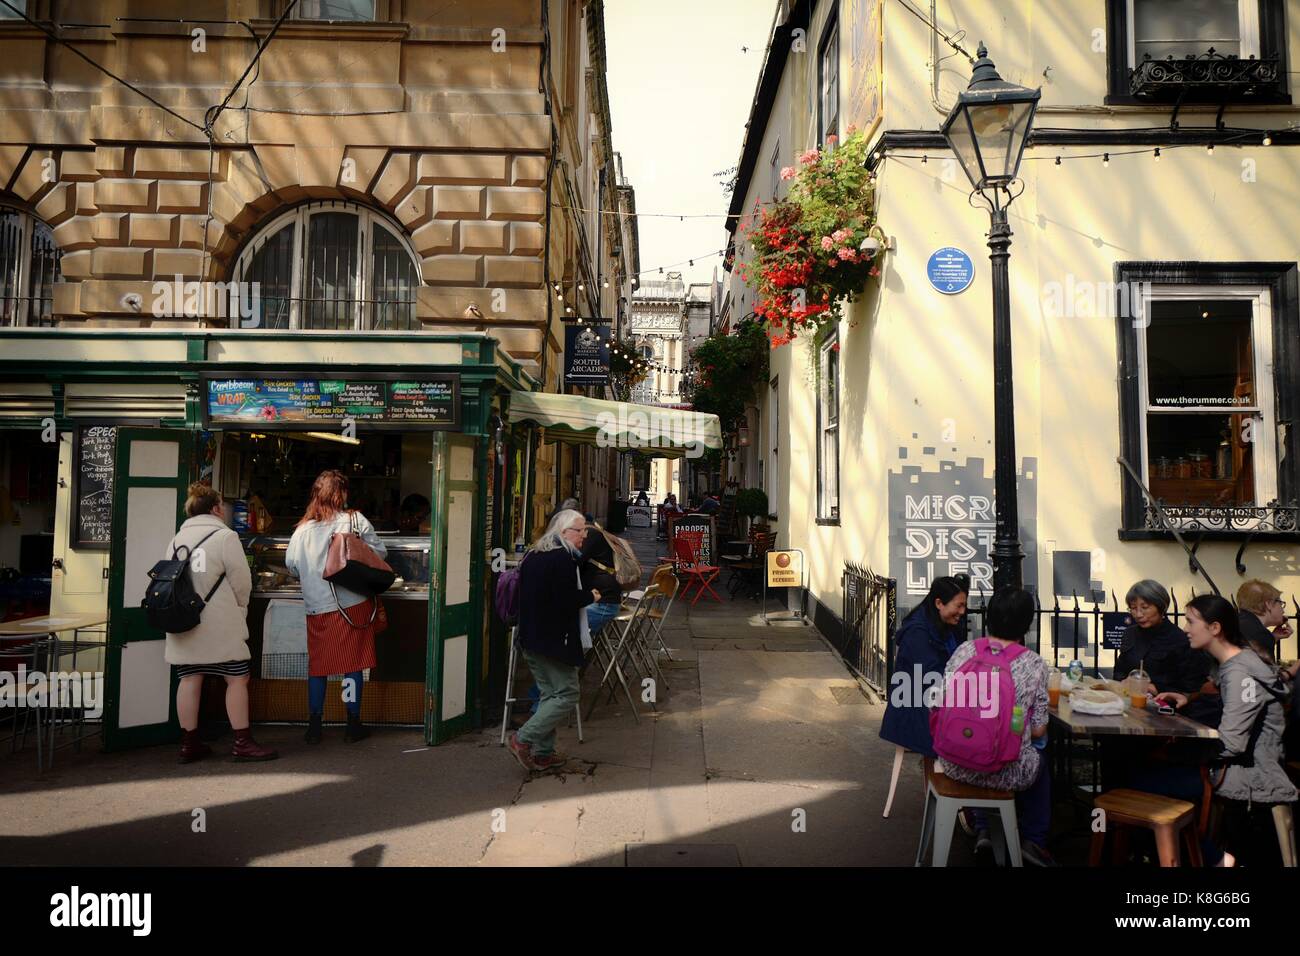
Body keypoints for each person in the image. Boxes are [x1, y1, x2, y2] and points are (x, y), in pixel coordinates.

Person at [1157, 595, 1297, 867]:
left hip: (1250, 782)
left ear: (1215, 628)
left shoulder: (1239, 672)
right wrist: (1190, 697)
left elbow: (1231, 744)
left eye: (1190, 621)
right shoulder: (1234, 664)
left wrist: (1178, 752)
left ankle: (1217, 858)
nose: (1185, 629)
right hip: (1237, 774)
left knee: (1142, 780)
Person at [937, 587, 1056, 867]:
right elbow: (1038, 730)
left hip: (955, 764)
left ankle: (984, 828)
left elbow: (941, 701)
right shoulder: (1033, 664)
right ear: (1027, 623)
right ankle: (1033, 841)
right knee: (1038, 760)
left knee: (977, 743)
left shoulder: (964, 651)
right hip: (1006, 772)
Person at [166, 482, 277, 763]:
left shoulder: (177, 539)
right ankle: (242, 742)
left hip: (185, 621)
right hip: (220, 624)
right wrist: (240, 610)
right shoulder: (225, 538)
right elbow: (242, 582)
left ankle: (189, 744)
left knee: (190, 679)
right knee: (237, 678)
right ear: (216, 508)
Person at [286, 469, 387, 745]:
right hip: (352, 604)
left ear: (315, 495)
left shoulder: (303, 530)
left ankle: (314, 725)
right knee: (351, 666)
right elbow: (381, 553)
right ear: (342, 494)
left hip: (317, 607)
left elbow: (292, 565)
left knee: (318, 667)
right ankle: (352, 722)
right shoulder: (354, 521)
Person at [507, 510, 599, 772]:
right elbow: (565, 600)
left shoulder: (535, 554)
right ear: (564, 532)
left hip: (531, 637)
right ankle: (521, 740)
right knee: (568, 693)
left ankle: (544, 754)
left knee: (550, 694)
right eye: (580, 530)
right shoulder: (562, 559)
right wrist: (590, 597)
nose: (584, 535)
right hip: (552, 640)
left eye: (584, 530)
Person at [880, 576, 970, 759]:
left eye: (964, 605)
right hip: (914, 710)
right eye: (958, 605)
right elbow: (933, 678)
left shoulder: (946, 626)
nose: (963, 611)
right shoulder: (917, 633)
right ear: (939, 603)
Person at [1113, 579, 1212, 701]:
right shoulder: (1130, 633)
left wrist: (1154, 688)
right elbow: (1119, 670)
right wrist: (1123, 681)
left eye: (1145, 607)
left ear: (1161, 607)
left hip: (1165, 710)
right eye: (1133, 608)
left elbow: (1191, 688)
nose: (1138, 614)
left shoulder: (1180, 640)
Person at [1236, 579, 1299, 681]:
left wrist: (1273, 637)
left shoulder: (1240, 622)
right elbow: (1268, 684)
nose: (1283, 609)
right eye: (1280, 603)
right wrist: (1294, 668)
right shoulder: (1259, 634)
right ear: (1269, 604)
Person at [580, 519, 626, 637]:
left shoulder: (590, 535)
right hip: (604, 601)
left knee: (559, 620)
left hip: (603, 604)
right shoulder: (594, 533)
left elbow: (575, 562)